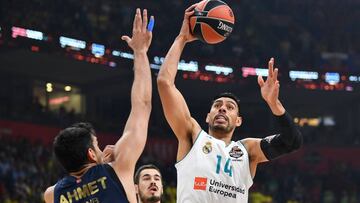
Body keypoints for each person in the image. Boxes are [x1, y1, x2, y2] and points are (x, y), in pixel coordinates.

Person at [156, 4, 303, 203]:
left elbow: (292, 142)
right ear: (207, 116)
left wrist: (274, 105)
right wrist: (181, 38)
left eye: (230, 107)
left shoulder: (247, 150)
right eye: (217, 105)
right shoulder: (192, 136)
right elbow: (165, 83)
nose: (223, 108)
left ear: (239, 120)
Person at [43, 8, 154, 203]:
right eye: (97, 145)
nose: (103, 149)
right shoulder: (118, 169)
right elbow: (142, 105)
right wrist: (140, 52)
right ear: (91, 154)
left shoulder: (52, 195)